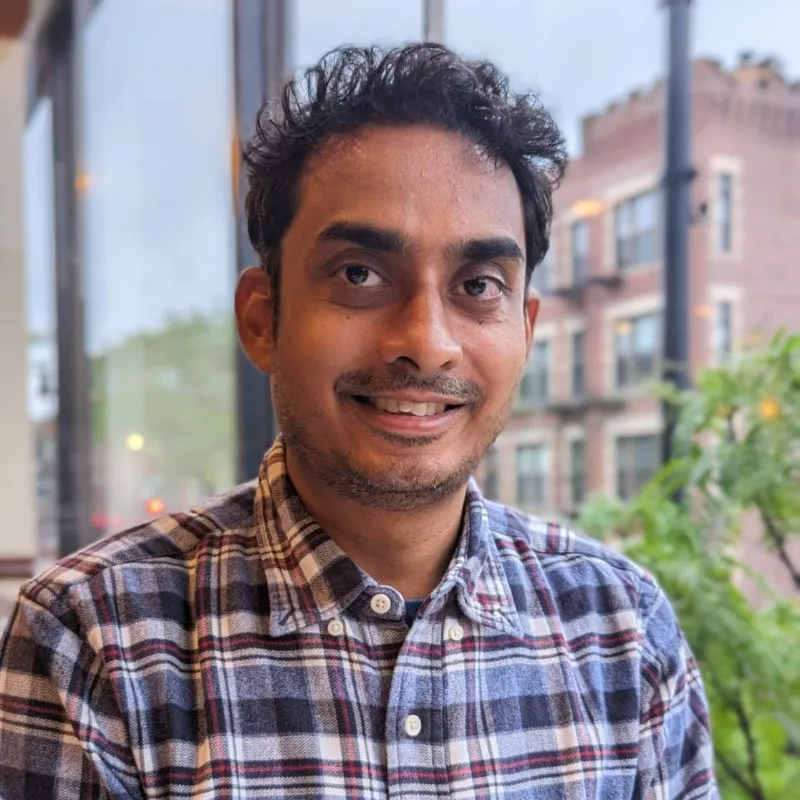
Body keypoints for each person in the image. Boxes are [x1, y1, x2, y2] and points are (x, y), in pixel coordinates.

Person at [0, 44, 717, 799]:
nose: (427, 342)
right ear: (263, 319)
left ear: (526, 330)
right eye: (359, 274)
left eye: (479, 285)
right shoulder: (93, 639)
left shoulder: (623, 628)